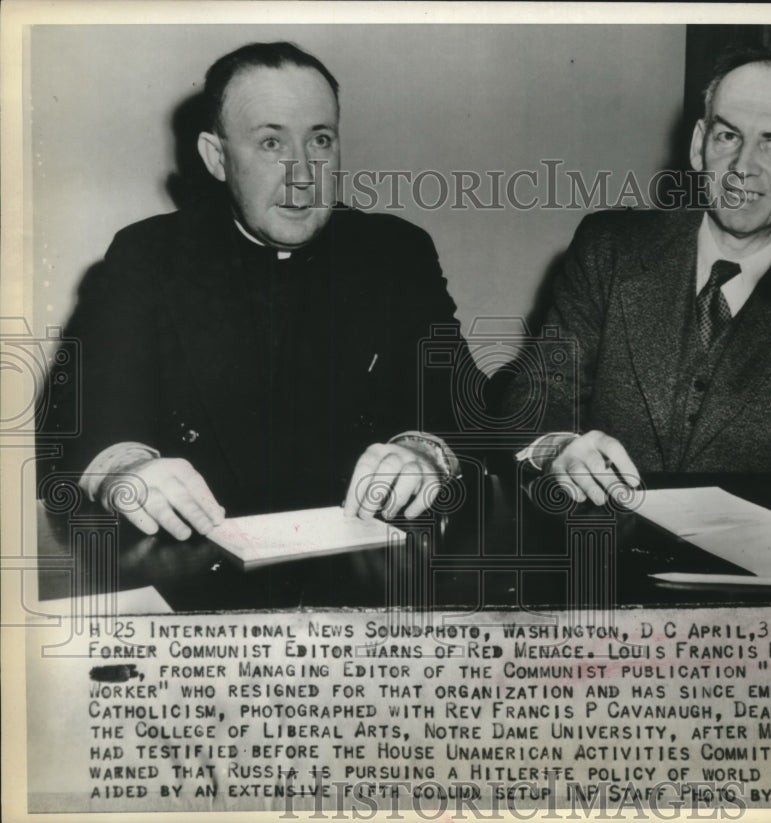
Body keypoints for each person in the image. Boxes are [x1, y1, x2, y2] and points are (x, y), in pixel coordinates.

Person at [38, 42, 475, 539]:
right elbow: (77, 418)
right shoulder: (147, 255)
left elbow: (466, 407)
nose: (304, 174)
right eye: (271, 143)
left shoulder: (397, 251)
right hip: (195, 566)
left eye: (321, 141)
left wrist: (426, 451)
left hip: (367, 572)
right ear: (216, 157)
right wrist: (126, 469)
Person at [502, 49, 771, 506]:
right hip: (607, 550)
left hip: (762, 567)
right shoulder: (609, 249)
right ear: (699, 145)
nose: (742, 167)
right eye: (728, 136)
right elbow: (531, 403)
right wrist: (558, 448)